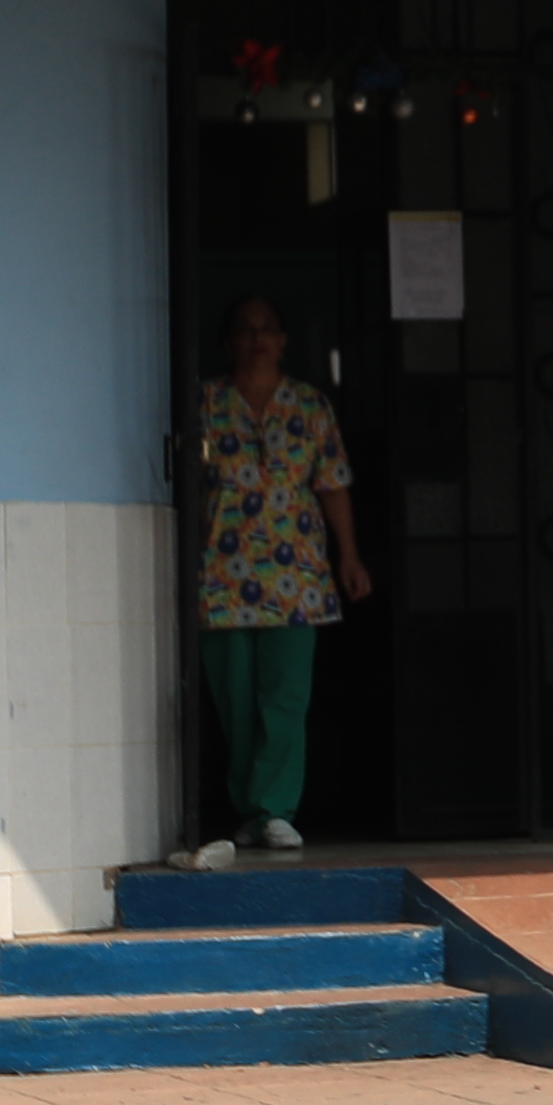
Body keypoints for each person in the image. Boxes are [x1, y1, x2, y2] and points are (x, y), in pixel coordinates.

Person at [185, 295, 369, 864]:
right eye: (244, 329)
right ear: (227, 342)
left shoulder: (310, 405)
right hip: (222, 571)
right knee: (235, 699)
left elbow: (332, 483)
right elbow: (187, 481)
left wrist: (349, 556)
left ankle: (277, 811)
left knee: (285, 697)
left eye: (267, 329)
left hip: (296, 574)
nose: (256, 338)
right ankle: (251, 807)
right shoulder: (206, 402)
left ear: (284, 340)